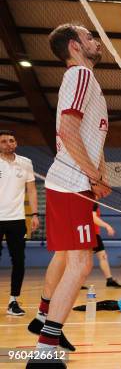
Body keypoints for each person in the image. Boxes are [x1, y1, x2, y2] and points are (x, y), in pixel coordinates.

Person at [27, 22, 111, 368]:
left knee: (68, 259)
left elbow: (90, 138)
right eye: (89, 36)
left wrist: (99, 172)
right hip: (71, 181)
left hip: (75, 181)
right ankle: (45, 351)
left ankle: (45, 320)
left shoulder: (84, 80)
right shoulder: (80, 77)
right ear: (75, 45)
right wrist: (92, 175)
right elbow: (67, 129)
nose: (96, 40)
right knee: (81, 264)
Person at [0, 130, 39, 316]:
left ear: (16, 143)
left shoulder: (25, 163)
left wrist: (35, 214)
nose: (8, 143)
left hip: (16, 219)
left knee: (19, 261)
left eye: (11, 140)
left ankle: (13, 301)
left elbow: (31, 190)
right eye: (4, 141)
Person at [80, 204, 121, 289]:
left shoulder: (89, 202)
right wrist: (107, 226)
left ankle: (109, 280)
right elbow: (93, 217)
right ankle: (78, 282)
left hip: (90, 234)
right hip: (91, 234)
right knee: (88, 261)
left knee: (101, 257)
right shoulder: (92, 202)